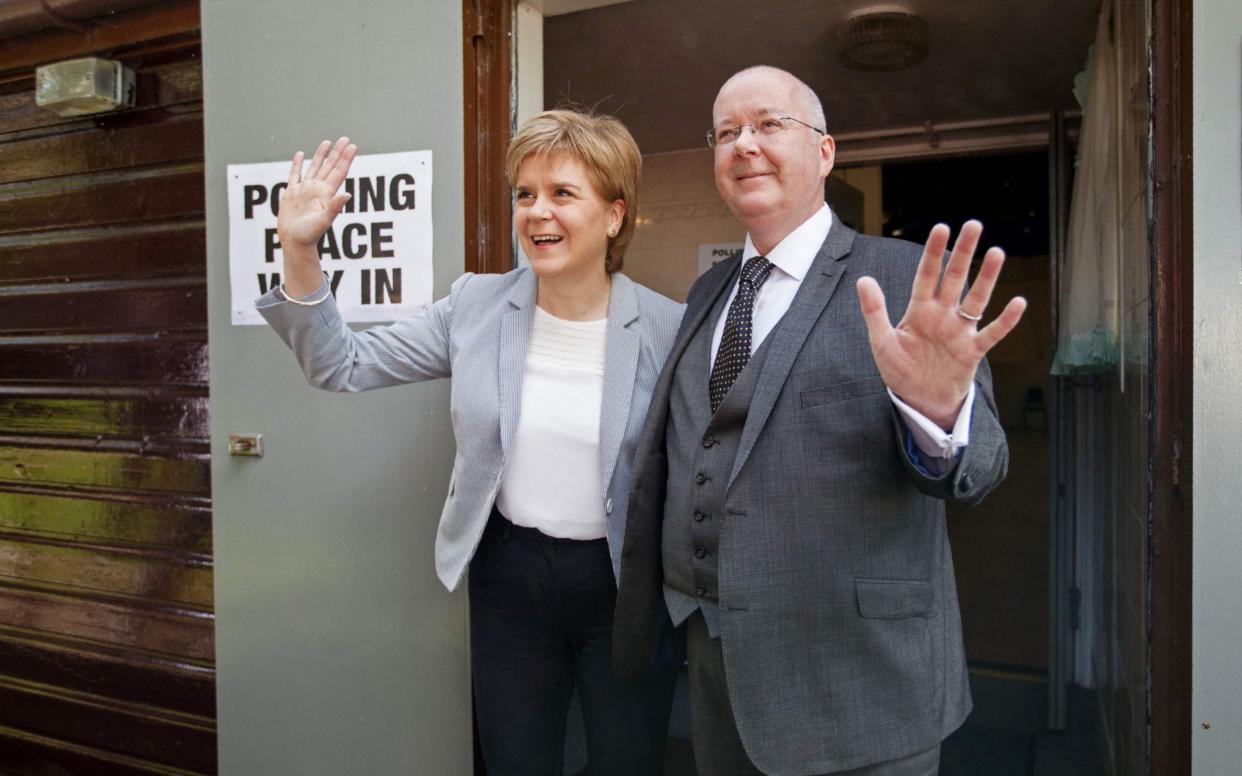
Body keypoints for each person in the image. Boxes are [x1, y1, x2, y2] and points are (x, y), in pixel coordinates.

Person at [612, 65, 1028, 776]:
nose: (744, 144)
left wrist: (936, 409)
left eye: (770, 125)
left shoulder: (898, 279)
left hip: (860, 687)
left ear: (826, 152)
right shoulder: (710, 291)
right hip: (719, 672)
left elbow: (979, 467)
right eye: (726, 132)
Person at [257, 109, 683, 775]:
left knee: (628, 761)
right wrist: (300, 251)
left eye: (562, 194)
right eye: (525, 194)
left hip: (624, 585)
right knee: (516, 761)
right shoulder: (477, 306)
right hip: (509, 577)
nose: (537, 212)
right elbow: (339, 366)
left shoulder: (669, 328)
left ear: (615, 215)